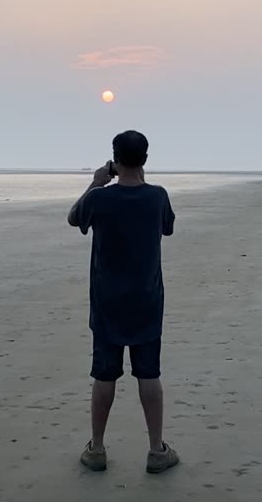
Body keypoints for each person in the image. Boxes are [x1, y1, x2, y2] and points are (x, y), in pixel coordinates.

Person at [67, 130, 179, 474]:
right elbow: (167, 227)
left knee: (104, 375)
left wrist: (96, 184)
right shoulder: (157, 197)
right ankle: (156, 450)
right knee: (149, 374)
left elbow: (74, 217)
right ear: (144, 159)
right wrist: (140, 179)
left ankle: (97, 448)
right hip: (146, 301)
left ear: (114, 158)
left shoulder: (101, 199)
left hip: (107, 304)